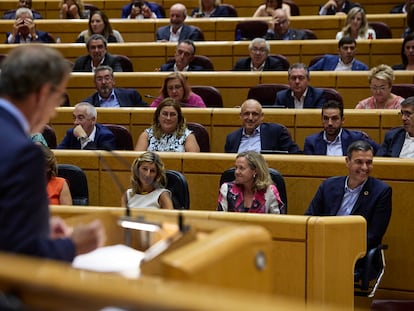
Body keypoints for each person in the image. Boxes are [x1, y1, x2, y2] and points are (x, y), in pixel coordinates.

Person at [0, 45, 105, 261]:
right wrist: (73, 245)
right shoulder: (23, 153)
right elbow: (24, 255)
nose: (56, 111)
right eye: (58, 98)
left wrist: (37, 226)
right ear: (42, 93)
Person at [305, 140, 392, 252]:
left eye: (369, 162)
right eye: (359, 162)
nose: (365, 168)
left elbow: (373, 235)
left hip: (356, 252)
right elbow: (309, 217)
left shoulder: (381, 191)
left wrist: (340, 246)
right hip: (322, 245)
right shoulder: (328, 185)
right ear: (347, 161)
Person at [304, 100, 380, 156]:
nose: (330, 123)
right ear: (322, 120)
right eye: (326, 118)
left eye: (334, 118)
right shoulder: (311, 142)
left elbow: (380, 151)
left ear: (342, 120)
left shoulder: (356, 138)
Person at [224, 99, 302, 153]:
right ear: (241, 116)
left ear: (262, 116)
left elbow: (296, 155)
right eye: (246, 114)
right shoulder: (232, 138)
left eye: (255, 114)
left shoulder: (276, 132)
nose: (250, 118)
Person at [217, 151, 284, 214]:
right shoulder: (227, 189)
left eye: (241, 168)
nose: (236, 172)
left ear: (255, 171)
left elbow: (278, 221)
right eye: (236, 168)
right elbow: (219, 219)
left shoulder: (269, 191)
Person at [135, 98, 200, 152]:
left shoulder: (188, 136)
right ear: (158, 116)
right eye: (165, 114)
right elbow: (138, 161)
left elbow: (194, 163)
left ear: (179, 118)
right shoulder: (147, 135)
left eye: (172, 114)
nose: (168, 118)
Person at [83, 65, 147, 107]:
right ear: (94, 83)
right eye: (99, 79)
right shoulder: (87, 104)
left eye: (107, 78)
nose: (103, 82)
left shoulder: (131, 95)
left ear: (113, 81)